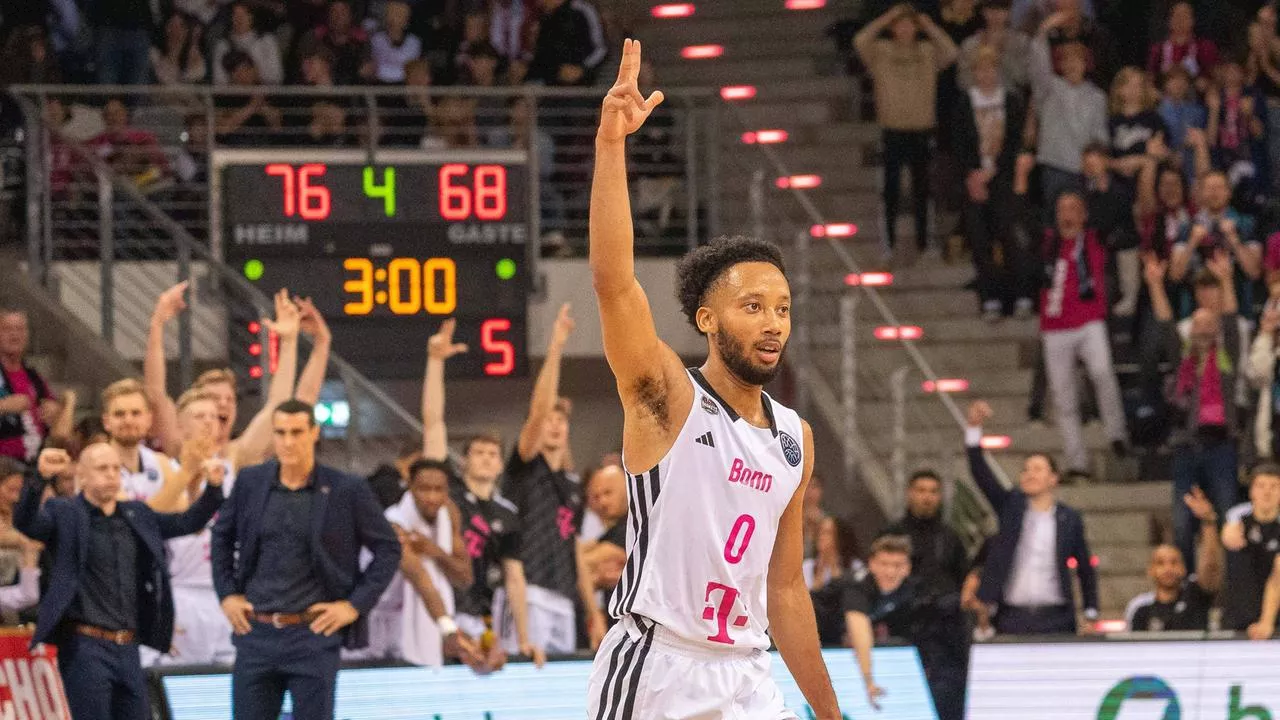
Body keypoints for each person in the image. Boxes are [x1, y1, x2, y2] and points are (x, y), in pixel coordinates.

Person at [587, 40, 840, 719]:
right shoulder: (668, 398)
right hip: (657, 668)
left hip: (747, 673)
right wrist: (612, 145)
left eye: (782, 309)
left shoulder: (795, 437)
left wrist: (830, 712)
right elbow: (614, 286)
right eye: (753, 306)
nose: (773, 323)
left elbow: (785, 592)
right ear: (707, 318)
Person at [211, 400, 400, 720]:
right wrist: (227, 594)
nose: (287, 442)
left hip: (312, 634)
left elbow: (389, 549)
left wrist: (353, 606)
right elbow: (221, 536)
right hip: (256, 632)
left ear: (314, 433)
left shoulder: (346, 489)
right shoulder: (251, 482)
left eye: (296, 432)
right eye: (280, 432)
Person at [14, 444, 223, 719]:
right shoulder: (64, 513)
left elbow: (186, 522)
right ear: (82, 476)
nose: (112, 475)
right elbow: (27, 522)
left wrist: (214, 488)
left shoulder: (137, 514)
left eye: (116, 469)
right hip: (85, 644)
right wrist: (39, 478)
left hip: (128, 644)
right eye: (102, 469)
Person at [421, 319, 543, 669]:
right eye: (480, 452)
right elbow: (433, 424)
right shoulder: (448, 492)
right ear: (464, 463)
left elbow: (514, 578)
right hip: (439, 605)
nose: (488, 458)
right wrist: (434, 362)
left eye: (494, 454)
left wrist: (523, 638)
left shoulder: (506, 514)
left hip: (479, 615)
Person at [503, 304, 603, 654]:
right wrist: (557, 346)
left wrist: (593, 613)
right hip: (526, 593)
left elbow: (575, 548)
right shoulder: (525, 465)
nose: (556, 424)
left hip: (563, 598)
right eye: (550, 420)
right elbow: (539, 411)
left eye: (562, 421)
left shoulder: (572, 483)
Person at [965, 400, 1100, 633]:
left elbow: (1085, 567)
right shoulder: (1010, 506)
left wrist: (1091, 611)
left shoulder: (1069, 519)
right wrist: (974, 430)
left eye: (1037, 469)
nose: (1029, 474)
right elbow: (980, 473)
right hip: (1011, 616)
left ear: (1053, 479)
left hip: (1056, 617)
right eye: (1025, 470)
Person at [854, 3, 959, 260]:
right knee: (891, 191)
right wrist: (886, 18)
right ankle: (888, 244)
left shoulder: (927, 51)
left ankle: (924, 243)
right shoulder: (881, 50)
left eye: (908, 24)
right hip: (893, 130)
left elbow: (951, 52)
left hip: (921, 130)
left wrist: (928, 25)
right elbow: (860, 40)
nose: (904, 29)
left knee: (922, 190)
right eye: (899, 24)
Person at [1039, 191, 1130, 477]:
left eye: (1073, 209)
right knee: (1063, 396)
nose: (1067, 215)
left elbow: (1118, 219)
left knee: (1102, 372)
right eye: (1062, 209)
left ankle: (1116, 432)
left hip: (1089, 320)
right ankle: (1076, 461)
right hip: (1054, 327)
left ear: (1083, 214)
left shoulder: (1094, 239)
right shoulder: (1047, 243)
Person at [365, 458, 475, 667]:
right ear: (410, 487)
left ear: (447, 491)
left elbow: (465, 578)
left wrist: (433, 550)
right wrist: (447, 627)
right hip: (381, 620)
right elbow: (420, 578)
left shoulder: (449, 515)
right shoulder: (394, 523)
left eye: (438, 489)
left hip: (431, 615)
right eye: (424, 489)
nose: (432, 497)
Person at [844, 535, 968, 720]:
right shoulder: (857, 587)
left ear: (908, 567)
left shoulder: (917, 592)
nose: (890, 572)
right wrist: (868, 679)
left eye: (897, 565)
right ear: (871, 564)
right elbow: (859, 630)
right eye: (884, 564)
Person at [954, 45, 1035, 320]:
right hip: (974, 180)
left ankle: (1021, 296)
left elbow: (1014, 142)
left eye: (990, 69)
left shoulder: (1010, 101)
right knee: (980, 241)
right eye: (980, 69)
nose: (986, 74)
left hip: (1004, 180)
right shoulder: (965, 102)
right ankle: (990, 298)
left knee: (1011, 236)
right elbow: (960, 143)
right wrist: (972, 174)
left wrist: (995, 171)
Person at [1030, 13, 1108, 208]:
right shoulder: (1049, 88)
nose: (1072, 64)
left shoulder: (1098, 97)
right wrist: (1043, 32)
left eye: (1078, 60)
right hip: (1055, 166)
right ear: (1060, 64)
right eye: (1067, 60)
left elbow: (1101, 135)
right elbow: (1038, 65)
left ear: (1085, 64)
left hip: (1084, 171)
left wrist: (1096, 158)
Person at [1125, 488, 1222, 631]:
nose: (1168, 569)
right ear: (1151, 570)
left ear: (1183, 568)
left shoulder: (1195, 596)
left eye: (1174, 562)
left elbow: (1211, 567)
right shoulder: (1140, 608)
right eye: (1161, 563)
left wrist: (1208, 522)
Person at [879, 469, 969, 595]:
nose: (927, 497)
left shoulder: (949, 537)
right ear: (909, 493)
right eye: (921, 490)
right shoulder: (893, 533)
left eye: (933, 491)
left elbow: (962, 576)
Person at [1221, 465, 1280, 634]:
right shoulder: (1238, 517)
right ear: (1251, 491)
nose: (1267, 492)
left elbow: (1277, 576)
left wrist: (1266, 622)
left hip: (1273, 623)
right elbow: (1229, 536)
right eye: (1261, 486)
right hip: (1236, 619)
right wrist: (1228, 532)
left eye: (1274, 486)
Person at [0, 308, 59, 464]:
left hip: (36, 466)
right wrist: (3, 406)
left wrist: (54, 410)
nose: (15, 335)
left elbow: (53, 408)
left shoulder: (34, 376)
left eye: (20, 329)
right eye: (7, 329)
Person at [807, 516, 861, 648]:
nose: (822, 537)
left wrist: (834, 568)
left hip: (844, 628)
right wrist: (819, 571)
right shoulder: (807, 567)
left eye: (828, 533)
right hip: (814, 627)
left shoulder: (855, 567)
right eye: (820, 532)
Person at [525, 0, 607, 87]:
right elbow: (538, 53)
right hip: (546, 84)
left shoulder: (582, 10)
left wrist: (582, 69)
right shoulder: (540, 17)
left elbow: (601, 49)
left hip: (581, 87)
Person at [1147, 1, 1219, 90]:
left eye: (1185, 16)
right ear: (1169, 21)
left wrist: (1208, 85)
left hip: (1197, 98)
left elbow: (1217, 77)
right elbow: (1150, 78)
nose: (1180, 20)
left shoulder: (1206, 47)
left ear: (1193, 21)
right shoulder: (1158, 49)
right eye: (1177, 16)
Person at [212, 1, 283, 85]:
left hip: (264, 92)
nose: (239, 19)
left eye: (244, 14)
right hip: (233, 94)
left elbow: (276, 76)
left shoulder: (267, 40)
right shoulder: (223, 45)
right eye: (235, 15)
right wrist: (237, 78)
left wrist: (254, 75)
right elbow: (219, 79)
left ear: (251, 17)